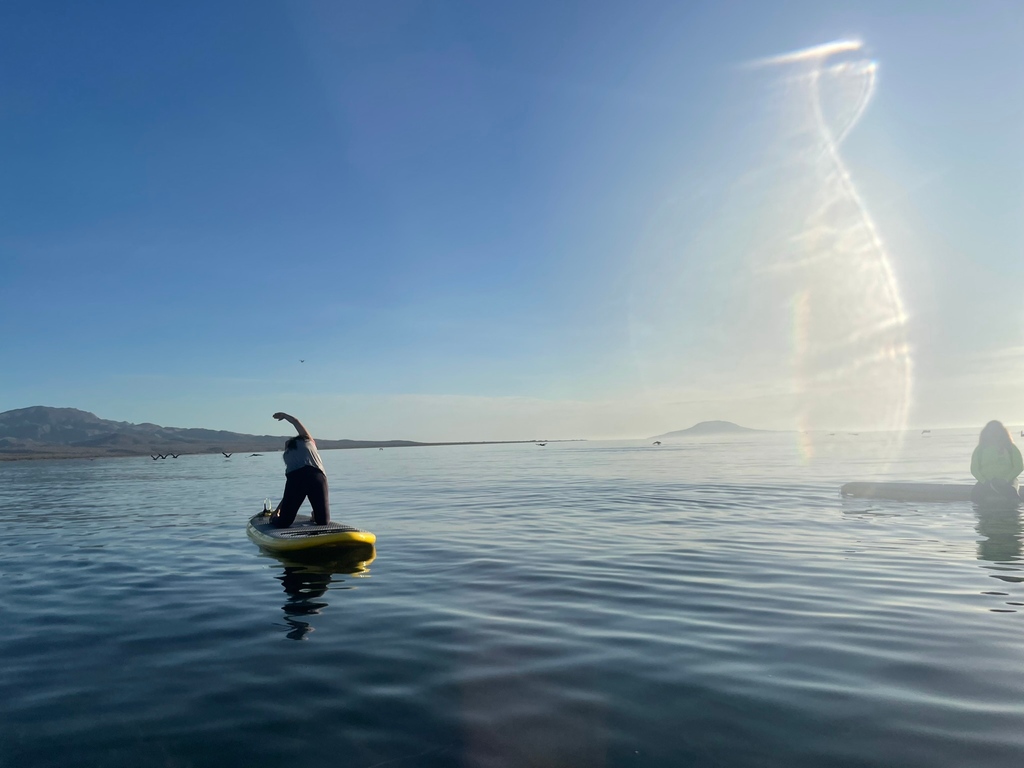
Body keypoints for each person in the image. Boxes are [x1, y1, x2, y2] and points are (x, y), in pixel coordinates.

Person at [267, 412, 331, 528]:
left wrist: (277, 511)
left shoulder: (307, 441)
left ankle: (315, 514)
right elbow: (289, 492)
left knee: (322, 522)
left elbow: (296, 422)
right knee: (322, 522)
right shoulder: (305, 444)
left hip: (311, 478)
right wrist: (285, 416)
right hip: (308, 479)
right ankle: (315, 515)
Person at [970, 420, 1023, 505]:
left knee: (1013, 497)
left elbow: (1019, 466)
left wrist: (1006, 479)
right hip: (986, 482)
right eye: (991, 431)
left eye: (997, 431)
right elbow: (974, 469)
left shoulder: (1011, 448)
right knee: (975, 496)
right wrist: (984, 481)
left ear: (1003, 432)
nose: (994, 434)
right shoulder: (980, 449)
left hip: (1009, 481)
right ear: (986, 433)